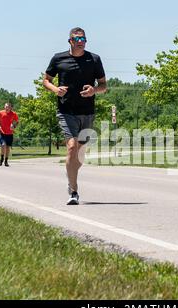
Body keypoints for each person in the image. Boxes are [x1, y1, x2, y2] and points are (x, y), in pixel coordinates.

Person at [43, 27, 107, 205]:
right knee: (71, 146)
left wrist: (94, 90)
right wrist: (56, 89)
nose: (81, 42)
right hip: (66, 110)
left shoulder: (94, 59)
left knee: (79, 155)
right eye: (77, 39)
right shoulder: (59, 58)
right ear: (70, 41)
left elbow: (103, 85)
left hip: (87, 112)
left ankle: (70, 173)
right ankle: (73, 190)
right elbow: (46, 80)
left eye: (83, 39)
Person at [0, 102, 19, 167]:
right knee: (3, 145)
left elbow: (17, 121)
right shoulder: (0, 113)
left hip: (10, 133)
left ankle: (6, 160)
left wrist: (13, 126)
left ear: (10, 107)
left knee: (8, 147)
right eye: (6, 107)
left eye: (8, 107)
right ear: (4, 107)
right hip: (2, 132)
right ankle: (1, 158)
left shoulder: (14, 114)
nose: (7, 108)